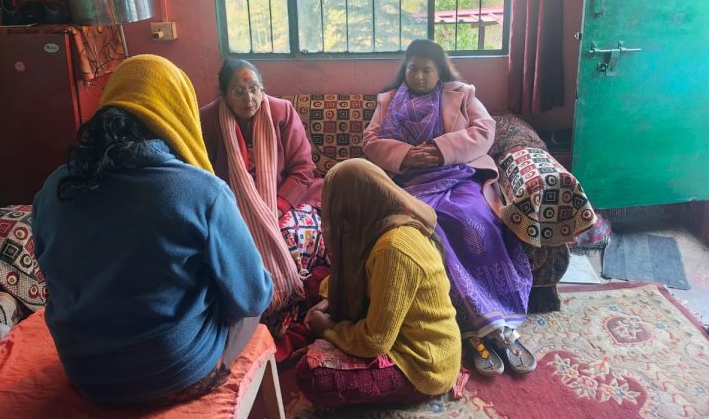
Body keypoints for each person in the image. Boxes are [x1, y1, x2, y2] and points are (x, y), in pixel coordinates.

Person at [32, 55, 273, 405]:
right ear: (178, 114)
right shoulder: (202, 191)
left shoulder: (53, 188)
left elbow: (52, 275)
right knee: (255, 293)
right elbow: (252, 296)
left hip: (86, 373)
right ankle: (211, 367)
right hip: (174, 373)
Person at [362, 39, 535, 378]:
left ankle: (499, 320)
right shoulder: (388, 100)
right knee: (431, 228)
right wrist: (406, 155)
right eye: (413, 69)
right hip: (410, 184)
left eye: (426, 70)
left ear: (439, 71)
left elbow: (485, 130)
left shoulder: (462, 94)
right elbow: (370, 140)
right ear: (405, 69)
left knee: (473, 221)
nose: (419, 76)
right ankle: (472, 326)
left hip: (457, 177)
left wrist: (441, 149)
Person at [297, 158, 461, 407]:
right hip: (393, 330)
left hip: (420, 362)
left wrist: (327, 329)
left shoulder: (394, 249)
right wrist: (328, 301)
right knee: (317, 282)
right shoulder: (380, 222)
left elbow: (375, 341)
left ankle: (403, 392)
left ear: (354, 210)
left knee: (312, 376)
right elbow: (353, 273)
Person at [200, 59, 329, 346]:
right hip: (234, 208)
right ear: (224, 94)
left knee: (288, 237)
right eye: (239, 91)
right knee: (236, 246)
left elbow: (304, 170)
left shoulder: (282, 112)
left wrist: (277, 207)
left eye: (254, 89)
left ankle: (289, 307)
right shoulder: (208, 120)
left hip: (289, 202)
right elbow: (204, 173)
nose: (249, 98)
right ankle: (255, 314)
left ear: (262, 88)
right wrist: (236, 211)